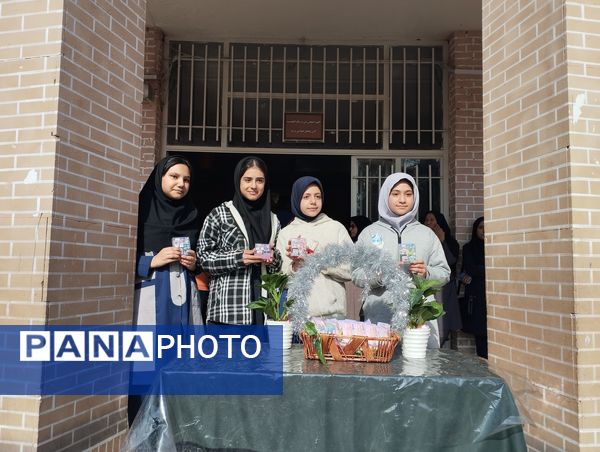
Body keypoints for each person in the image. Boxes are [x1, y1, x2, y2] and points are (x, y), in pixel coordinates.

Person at [130, 155, 202, 425]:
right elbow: (118, 259)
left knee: (181, 366)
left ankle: (177, 433)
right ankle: (143, 434)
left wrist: (194, 264)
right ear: (160, 178)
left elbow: (198, 260)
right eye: (174, 176)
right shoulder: (139, 214)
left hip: (183, 303)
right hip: (151, 302)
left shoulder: (190, 215)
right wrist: (150, 261)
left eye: (186, 179)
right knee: (146, 370)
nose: (181, 183)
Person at [354, 173, 450, 347]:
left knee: (420, 363)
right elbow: (355, 274)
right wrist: (378, 275)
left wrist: (426, 273)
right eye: (396, 194)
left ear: (415, 197)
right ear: (386, 196)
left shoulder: (426, 234)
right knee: (381, 363)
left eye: (408, 194)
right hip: (380, 319)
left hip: (419, 322)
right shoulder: (369, 233)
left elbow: (444, 273)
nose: (402, 200)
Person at [197, 156, 282, 325]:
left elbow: (279, 266)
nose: (254, 186)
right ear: (238, 180)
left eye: (259, 180)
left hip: (265, 313)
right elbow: (203, 259)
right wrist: (239, 258)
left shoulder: (273, 220)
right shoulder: (220, 214)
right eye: (248, 180)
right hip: (228, 313)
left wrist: (273, 258)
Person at [276, 176, 352, 318]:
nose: (313, 202)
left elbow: (350, 270)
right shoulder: (286, 233)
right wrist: (295, 266)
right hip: (298, 317)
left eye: (318, 196)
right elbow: (281, 280)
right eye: (306, 197)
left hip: (332, 316)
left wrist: (318, 261)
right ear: (296, 199)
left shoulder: (336, 228)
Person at [423, 210, 461, 349]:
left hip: (445, 290)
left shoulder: (451, 242)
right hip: (426, 286)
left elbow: (450, 261)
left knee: (442, 324)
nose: (428, 223)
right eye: (426, 220)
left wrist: (442, 241)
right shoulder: (422, 240)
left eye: (432, 220)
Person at [460, 216, 487, 358]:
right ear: (475, 230)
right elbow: (471, 269)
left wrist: (480, 269)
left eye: (487, 227)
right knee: (480, 335)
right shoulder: (469, 248)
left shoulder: (496, 247)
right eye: (481, 227)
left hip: (493, 296)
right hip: (477, 297)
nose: (484, 231)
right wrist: (489, 269)